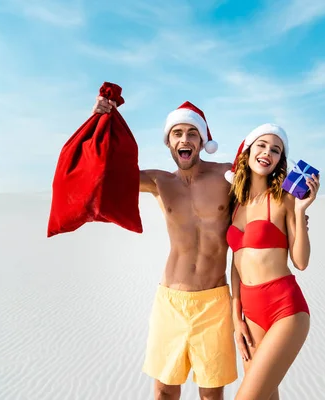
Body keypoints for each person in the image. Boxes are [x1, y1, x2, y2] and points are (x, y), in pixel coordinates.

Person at [92, 97, 237, 400]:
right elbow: (105, 173)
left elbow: (269, 177)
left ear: (202, 140)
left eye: (192, 133)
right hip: (171, 300)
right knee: (164, 392)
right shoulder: (159, 181)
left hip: (215, 301)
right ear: (169, 142)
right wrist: (100, 123)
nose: (185, 139)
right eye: (177, 133)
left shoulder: (226, 175)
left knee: (211, 394)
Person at [223, 123, 320, 400]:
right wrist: (236, 318)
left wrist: (300, 212)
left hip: (285, 309)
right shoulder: (236, 203)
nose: (267, 153)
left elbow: (301, 262)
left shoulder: (284, 200)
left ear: (280, 160)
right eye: (262, 145)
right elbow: (236, 265)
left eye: (275, 150)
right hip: (250, 315)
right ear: (249, 150)